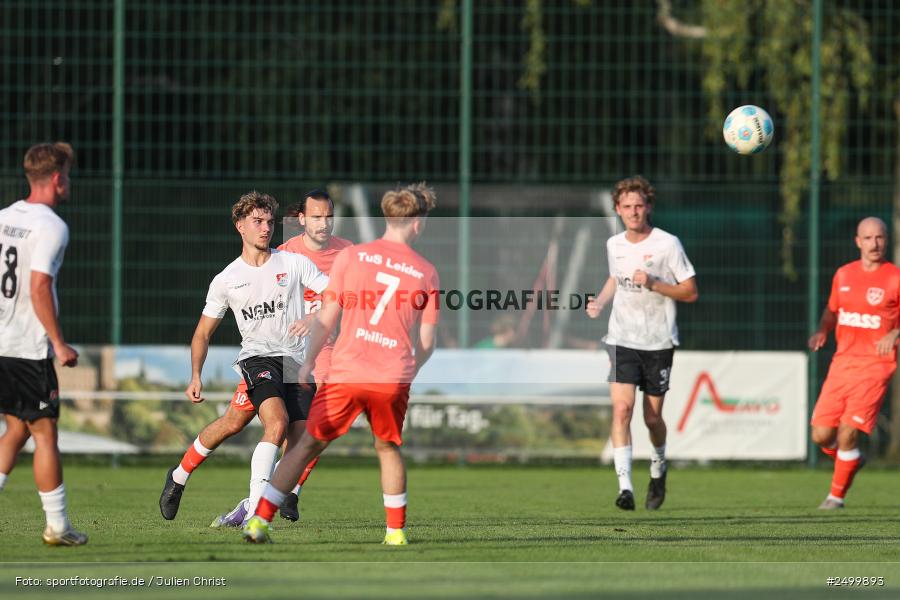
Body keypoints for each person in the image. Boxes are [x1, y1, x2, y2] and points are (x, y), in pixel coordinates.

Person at [242, 183, 440, 546]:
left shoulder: (353, 256)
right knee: (388, 448)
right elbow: (427, 343)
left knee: (304, 446)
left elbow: (326, 318)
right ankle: (395, 533)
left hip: (347, 370)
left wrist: (307, 364)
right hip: (390, 375)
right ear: (417, 224)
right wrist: (413, 366)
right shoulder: (426, 272)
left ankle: (259, 522)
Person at [158, 191, 329, 523]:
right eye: (257, 222)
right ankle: (255, 506)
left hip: (294, 363)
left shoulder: (293, 263)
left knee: (271, 432)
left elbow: (336, 294)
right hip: (258, 361)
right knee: (276, 423)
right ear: (240, 226)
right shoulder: (227, 280)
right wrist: (195, 375)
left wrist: (313, 317)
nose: (266, 228)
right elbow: (202, 334)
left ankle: (177, 476)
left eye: (269, 222)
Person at [209, 189, 353, 527]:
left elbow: (351, 295)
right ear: (301, 219)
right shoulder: (285, 253)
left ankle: (276, 495)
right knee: (247, 422)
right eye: (317, 216)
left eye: (328, 216)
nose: (324, 223)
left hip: (328, 352)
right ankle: (261, 497)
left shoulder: (348, 253)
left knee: (317, 430)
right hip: (282, 355)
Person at [586, 175, 697, 511]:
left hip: (658, 340)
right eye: (627, 207)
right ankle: (625, 488)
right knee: (621, 409)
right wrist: (600, 301)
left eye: (639, 205)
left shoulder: (667, 244)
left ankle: (658, 468)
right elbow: (614, 278)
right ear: (618, 210)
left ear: (648, 207)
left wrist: (654, 283)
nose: (633, 212)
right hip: (622, 337)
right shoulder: (614, 245)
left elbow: (690, 291)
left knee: (651, 419)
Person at [0, 142, 87, 545]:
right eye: (67, 175)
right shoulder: (51, 225)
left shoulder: (3, 217)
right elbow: (38, 287)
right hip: (26, 346)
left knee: (16, 428)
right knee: (45, 432)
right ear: (56, 179)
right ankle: (58, 527)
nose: (69, 182)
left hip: (2, 342)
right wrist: (59, 343)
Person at [807, 217, 900, 509]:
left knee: (848, 430)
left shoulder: (895, 278)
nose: (875, 243)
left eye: (880, 238)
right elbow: (832, 310)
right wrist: (823, 329)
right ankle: (851, 459)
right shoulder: (844, 274)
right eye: (868, 238)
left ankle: (836, 497)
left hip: (876, 365)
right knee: (821, 434)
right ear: (857, 241)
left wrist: (895, 332)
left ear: (887, 240)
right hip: (842, 364)